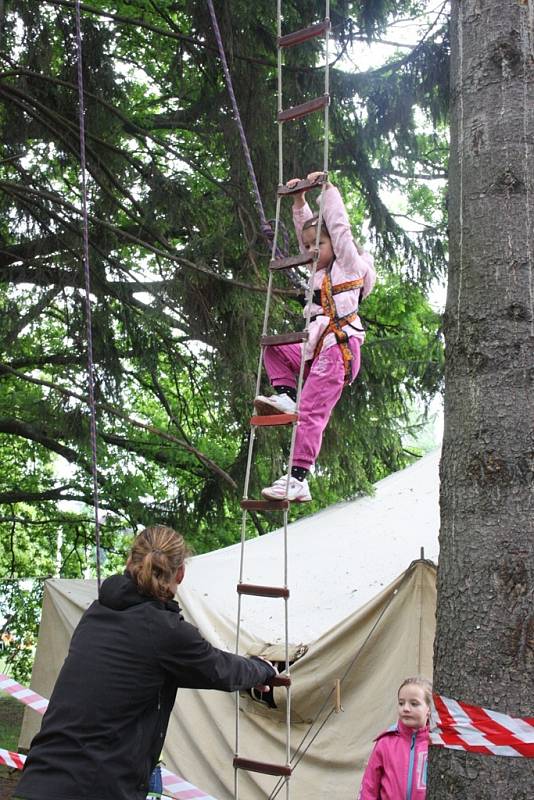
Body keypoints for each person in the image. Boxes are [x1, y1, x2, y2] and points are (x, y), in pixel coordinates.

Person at [15, 525, 277, 800]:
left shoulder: (98, 610)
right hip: (92, 788)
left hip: (40, 780)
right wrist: (262, 670)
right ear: (180, 573)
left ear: (130, 562)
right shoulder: (165, 631)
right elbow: (220, 669)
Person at [255, 171, 376, 502]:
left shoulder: (348, 266)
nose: (309, 250)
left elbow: (337, 229)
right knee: (275, 347)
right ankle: (285, 394)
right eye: (307, 247)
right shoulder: (318, 272)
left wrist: (328, 190)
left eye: (316, 246)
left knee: (311, 412)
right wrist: (299, 203)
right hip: (315, 346)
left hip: (339, 349)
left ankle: (298, 477)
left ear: (334, 247)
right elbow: (306, 234)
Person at [357, 676, 432, 800]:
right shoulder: (385, 742)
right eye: (401, 703)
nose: (406, 709)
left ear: (429, 709)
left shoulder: (436, 743)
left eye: (414, 704)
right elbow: (369, 786)